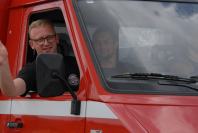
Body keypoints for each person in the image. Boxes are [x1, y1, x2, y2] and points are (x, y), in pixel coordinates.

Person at [0, 19, 79, 97]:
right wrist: (3, 62)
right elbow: (12, 91)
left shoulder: (75, 63)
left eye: (49, 37)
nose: (46, 43)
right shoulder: (32, 69)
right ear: (32, 44)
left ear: (57, 38)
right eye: (40, 40)